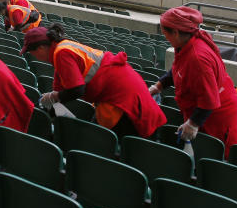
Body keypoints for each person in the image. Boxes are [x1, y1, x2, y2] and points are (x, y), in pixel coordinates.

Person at [23, 24, 166, 137]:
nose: (33, 56)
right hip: (118, 89)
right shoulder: (60, 50)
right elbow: (63, 85)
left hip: (122, 95)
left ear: (41, 48)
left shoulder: (61, 52)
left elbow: (77, 89)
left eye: (31, 51)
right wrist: (53, 99)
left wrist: (54, 97)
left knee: (115, 139)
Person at [150, 6, 237, 155]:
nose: (165, 37)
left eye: (165, 33)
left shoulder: (198, 59)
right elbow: (179, 69)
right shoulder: (185, 43)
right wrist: (159, 86)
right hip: (204, 109)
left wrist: (193, 124)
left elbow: (209, 100)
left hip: (218, 116)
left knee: (219, 155)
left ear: (175, 32)